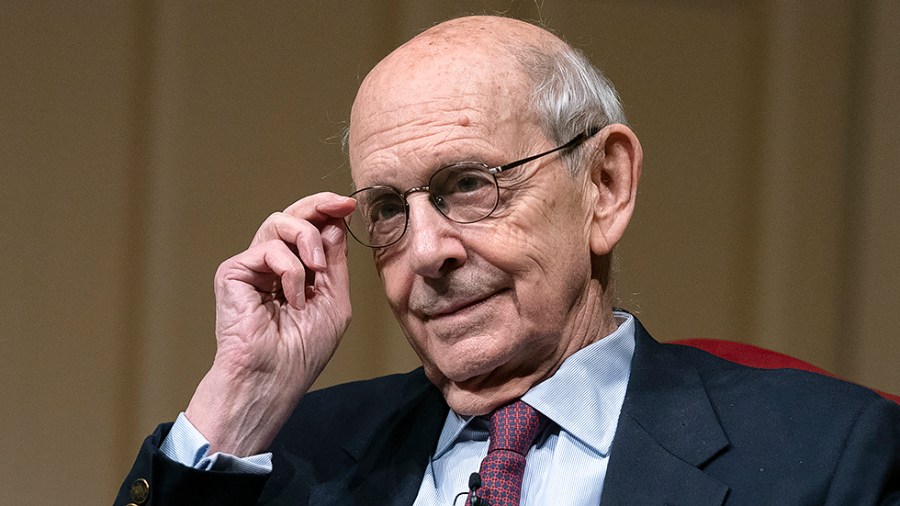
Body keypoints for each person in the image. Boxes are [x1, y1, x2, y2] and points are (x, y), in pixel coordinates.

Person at [115, 15, 899, 506]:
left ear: (604, 185)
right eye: (389, 208)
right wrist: (241, 402)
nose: (426, 252)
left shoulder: (825, 456)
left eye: (468, 185)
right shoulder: (278, 460)